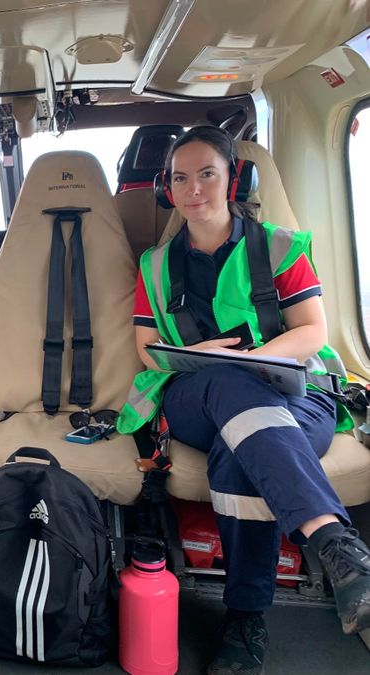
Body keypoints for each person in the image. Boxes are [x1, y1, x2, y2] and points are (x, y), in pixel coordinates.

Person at [117, 126, 370, 674]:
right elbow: (147, 349)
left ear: (232, 178)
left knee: (243, 450)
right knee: (228, 384)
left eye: (207, 173)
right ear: (167, 188)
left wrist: (259, 360)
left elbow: (311, 332)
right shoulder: (155, 266)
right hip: (194, 395)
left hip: (294, 393)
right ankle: (334, 543)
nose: (194, 190)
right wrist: (208, 355)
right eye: (180, 178)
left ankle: (244, 617)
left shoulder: (279, 245)